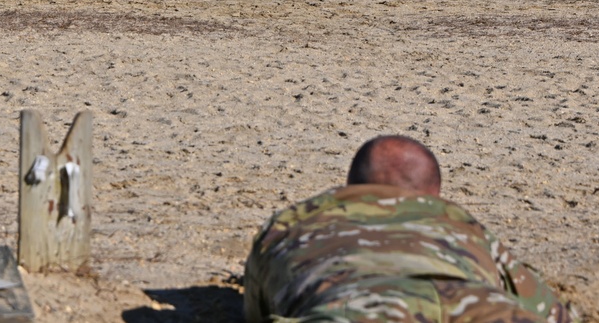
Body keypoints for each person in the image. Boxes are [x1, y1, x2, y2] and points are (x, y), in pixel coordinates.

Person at [244, 135, 577, 322]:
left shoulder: (289, 224)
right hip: (480, 308)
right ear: (433, 194)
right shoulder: (458, 223)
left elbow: (257, 312)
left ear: (352, 185)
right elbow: (554, 314)